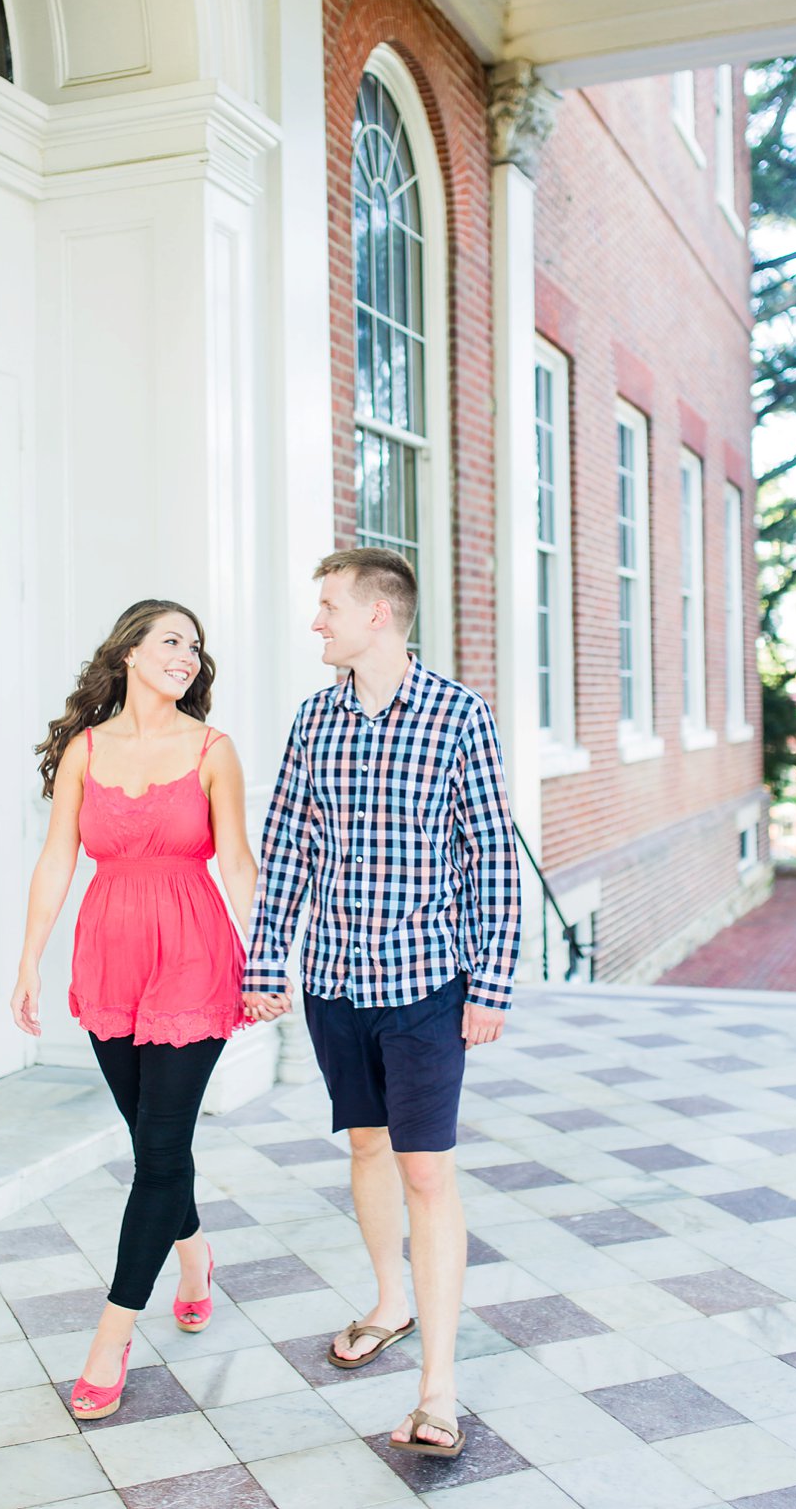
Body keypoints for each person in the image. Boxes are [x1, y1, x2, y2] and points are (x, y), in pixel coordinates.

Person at [243, 548, 519, 1459]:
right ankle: (388, 1300)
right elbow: (285, 849)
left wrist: (492, 982)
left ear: (379, 616)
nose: (316, 622)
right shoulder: (314, 721)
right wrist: (264, 964)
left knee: (427, 1169)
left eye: (328, 606)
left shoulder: (457, 716)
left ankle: (439, 1388)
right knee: (365, 1144)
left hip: (426, 986)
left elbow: (491, 857)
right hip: (334, 981)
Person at [10, 600, 259, 1421]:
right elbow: (56, 859)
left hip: (194, 954)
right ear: (128, 652)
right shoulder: (86, 750)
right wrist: (27, 962)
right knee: (152, 1137)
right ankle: (194, 1255)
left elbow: (238, 863)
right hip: (110, 955)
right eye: (171, 641)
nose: (187, 655)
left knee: (157, 1150)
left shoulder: (214, 752)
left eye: (195, 645)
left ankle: (109, 1337)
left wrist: (270, 960)